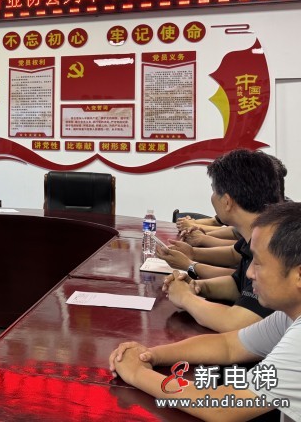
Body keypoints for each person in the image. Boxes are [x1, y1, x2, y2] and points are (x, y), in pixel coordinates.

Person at [109, 201, 301, 421]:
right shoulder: (289, 315)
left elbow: (223, 407)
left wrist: (136, 372)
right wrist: (150, 355)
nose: (249, 273)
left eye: (258, 263)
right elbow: (228, 346)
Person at [157, 149, 282, 332]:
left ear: (227, 202)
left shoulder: (276, 246)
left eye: (214, 191)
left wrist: (185, 298)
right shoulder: (259, 233)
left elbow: (237, 323)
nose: (212, 197)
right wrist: (196, 285)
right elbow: (237, 285)